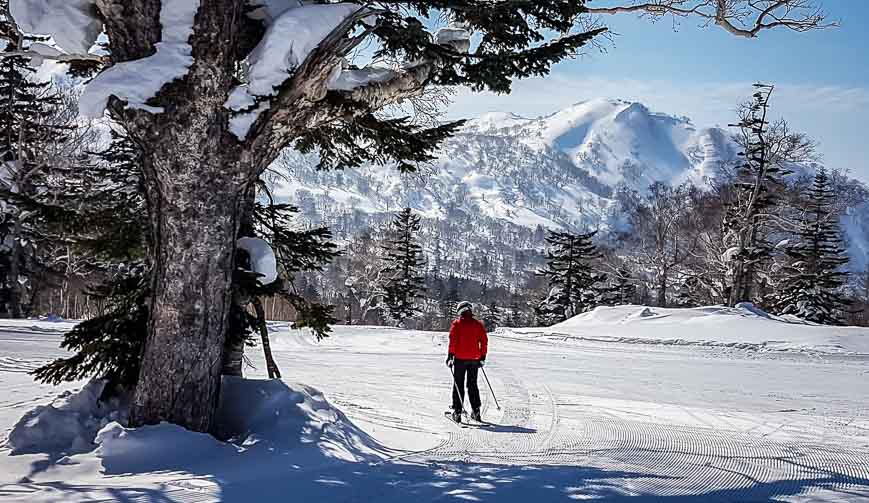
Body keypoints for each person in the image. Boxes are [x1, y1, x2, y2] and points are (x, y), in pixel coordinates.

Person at [446, 301, 488, 423]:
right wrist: (483, 357)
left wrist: (450, 356)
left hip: (459, 359)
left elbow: (453, 341)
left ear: (460, 311)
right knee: (472, 385)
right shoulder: (478, 324)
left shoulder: (457, 324)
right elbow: (484, 341)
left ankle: (457, 412)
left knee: (458, 385)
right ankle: (476, 411)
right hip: (474, 359)